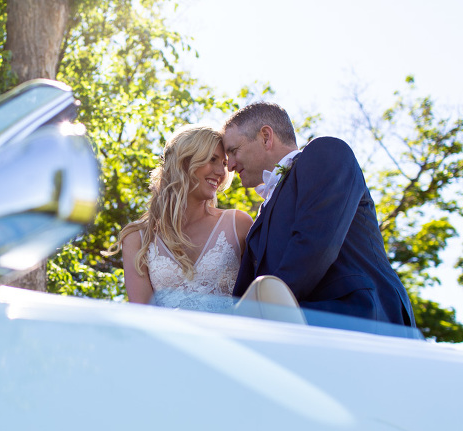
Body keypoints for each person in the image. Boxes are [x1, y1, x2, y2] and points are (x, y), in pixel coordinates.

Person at [222, 102, 416, 327]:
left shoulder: (325, 152)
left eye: (233, 151)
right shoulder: (261, 215)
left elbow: (316, 242)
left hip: (356, 318)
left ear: (266, 137)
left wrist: (266, 311)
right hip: (294, 332)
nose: (230, 166)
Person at [104, 124, 253, 312]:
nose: (221, 172)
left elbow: (263, 299)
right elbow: (142, 316)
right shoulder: (137, 237)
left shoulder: (238, 224)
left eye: (224, 164)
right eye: (212, 159)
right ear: (184, 161)